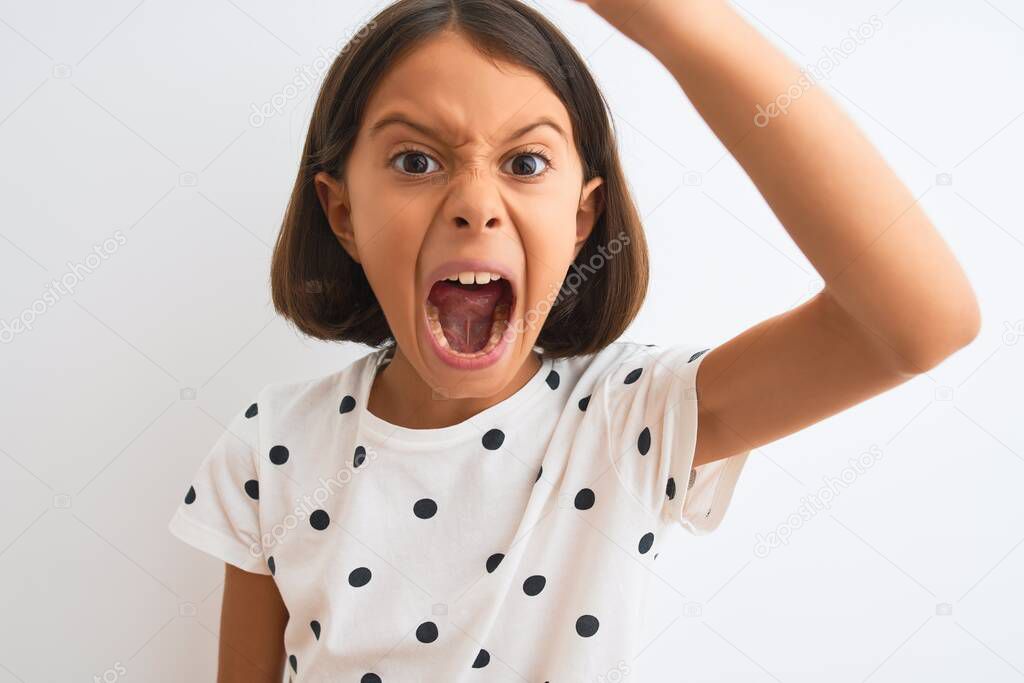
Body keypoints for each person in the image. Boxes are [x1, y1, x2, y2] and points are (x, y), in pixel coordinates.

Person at [168, 0, 980, 680]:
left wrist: (677, 25)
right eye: (415, 159)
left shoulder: (627, 418)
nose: (475, 204)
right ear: (342, 211)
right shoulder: (270, 449)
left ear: (582, 216)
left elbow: (919, 322)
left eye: (525, 163)